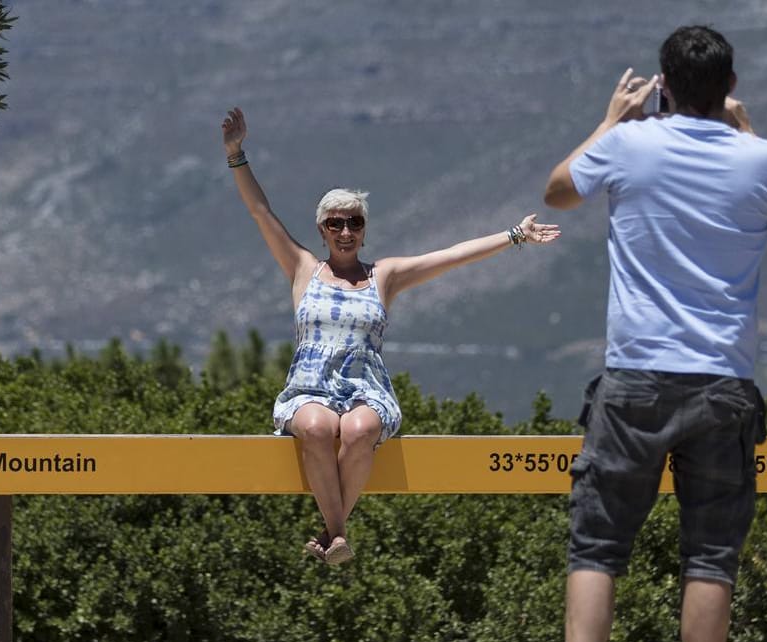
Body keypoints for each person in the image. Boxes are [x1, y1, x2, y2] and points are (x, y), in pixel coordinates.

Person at [542, 26, 767, 642]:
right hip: (722, 381)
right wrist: (746, 129)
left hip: (634, 379)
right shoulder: (762, 159)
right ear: (729, 86)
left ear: (662, 85)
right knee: (710, 556)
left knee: (597, 544)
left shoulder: (627, 146)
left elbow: (559, 191)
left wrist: (608, 121)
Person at [221, 106, 560, 565]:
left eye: (354, 223)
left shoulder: (385, 275)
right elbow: (261, 213)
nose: (345, 231)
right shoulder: (303, 268)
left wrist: (515, 235)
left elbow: (452, 256)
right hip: (310, 389)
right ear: (322, 230)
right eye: (336, 223)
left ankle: (331, 534)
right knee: (318, 428)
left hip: (365, 387)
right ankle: (337, 533)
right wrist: (237, 154)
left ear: (364, 231)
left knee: (360, 431)